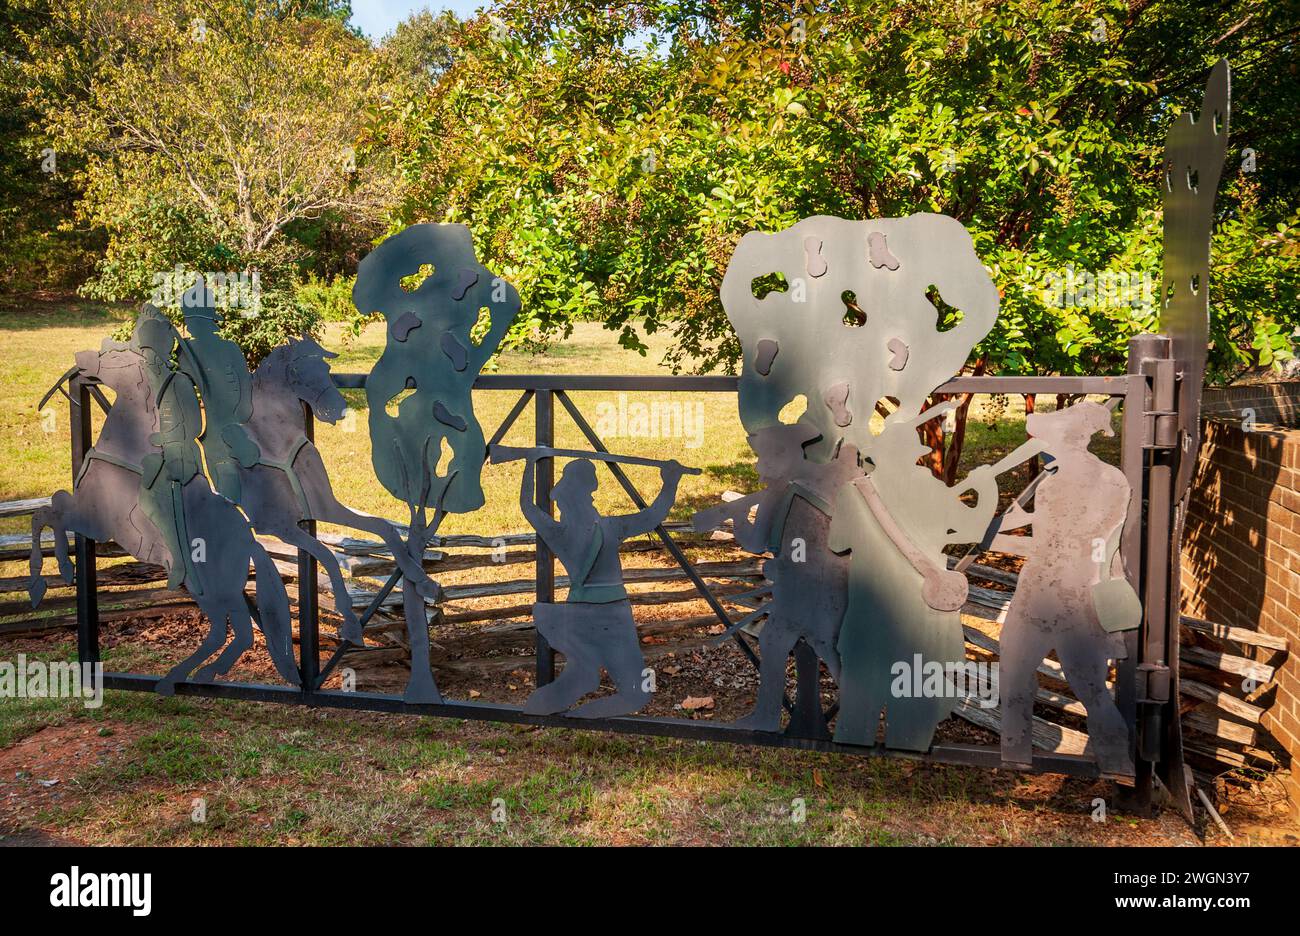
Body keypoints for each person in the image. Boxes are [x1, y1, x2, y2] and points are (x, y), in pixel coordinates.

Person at [988, 401, 1138, 778]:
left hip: (1045, 595)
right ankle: (1117, 762)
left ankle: (1016, 753)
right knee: (1091, 687)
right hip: (1083, 596)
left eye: (1050, 437)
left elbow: (1050, 547)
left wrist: (995, 537)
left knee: (1015, 674)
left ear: (1066, 438)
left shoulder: (1054, 485)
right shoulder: (1113, 479)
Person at [517, 455, 684, 718]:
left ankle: (562, 705)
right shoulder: (610, 527)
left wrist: (530, 462)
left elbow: (527, 506)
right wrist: (670, 482)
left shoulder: (560, 534)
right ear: (587, 496)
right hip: (613, 616)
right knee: (638, 694)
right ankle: (574, 713)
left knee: (584, 674)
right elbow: (652, 516)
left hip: (580, 615)